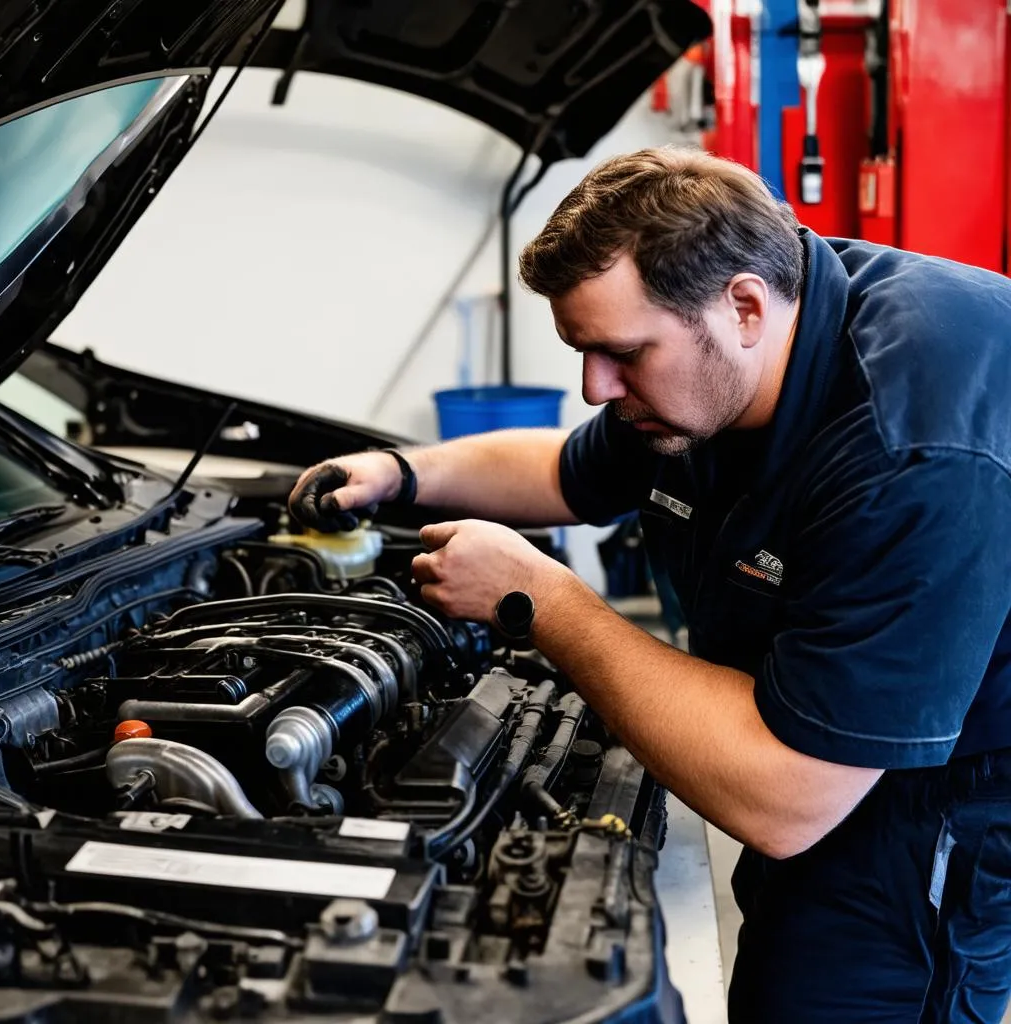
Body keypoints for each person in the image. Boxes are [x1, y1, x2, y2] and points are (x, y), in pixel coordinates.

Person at [289, 147, 1011, 1023]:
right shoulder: (719, 359)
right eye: (585, 352)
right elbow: (562, 473)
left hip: (936, 800)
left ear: (743, 304)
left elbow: (787, 801)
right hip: (824, 730)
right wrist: (401, 472)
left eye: (621, 354)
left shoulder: (914, 448)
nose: (596, 387)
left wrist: (541, 601)